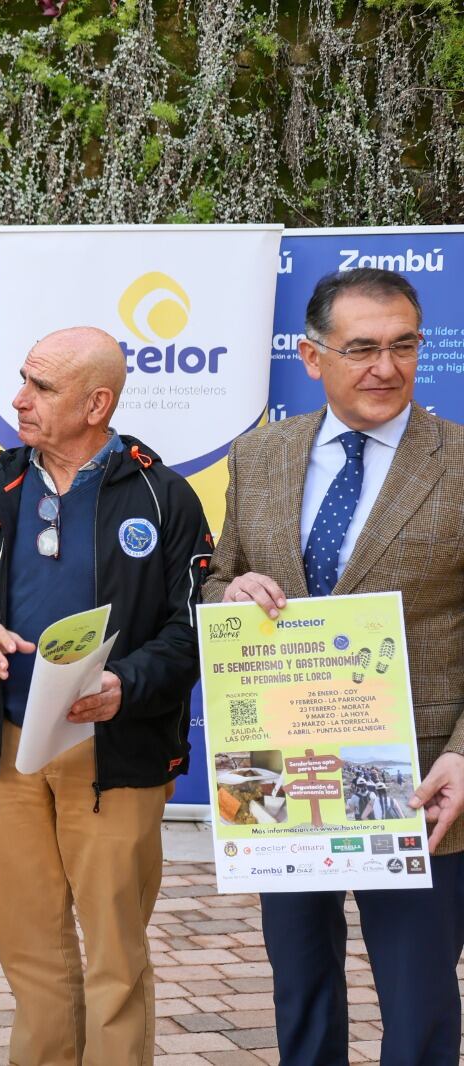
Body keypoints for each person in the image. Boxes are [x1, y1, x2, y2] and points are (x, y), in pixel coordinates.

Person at [205, 267, 464, 1066]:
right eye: (361, 349)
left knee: (420, 1006)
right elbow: (219, 580)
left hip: (421, 782)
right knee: (303, 993)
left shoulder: (458, 461)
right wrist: (231, 591)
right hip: (280, 778)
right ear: (312, 358)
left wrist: (463, 754)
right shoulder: (262, 455)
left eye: (403, 346)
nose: (385, 367)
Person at [0, 326, 212, 1066]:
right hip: (11, 755)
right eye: (21, 380)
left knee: (114, 958)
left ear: (97, 403)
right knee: (31, 952)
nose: (18, 399)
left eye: (41, 388)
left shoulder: (162, 495)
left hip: (115, 757)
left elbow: (194, 627)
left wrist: (130, 684)